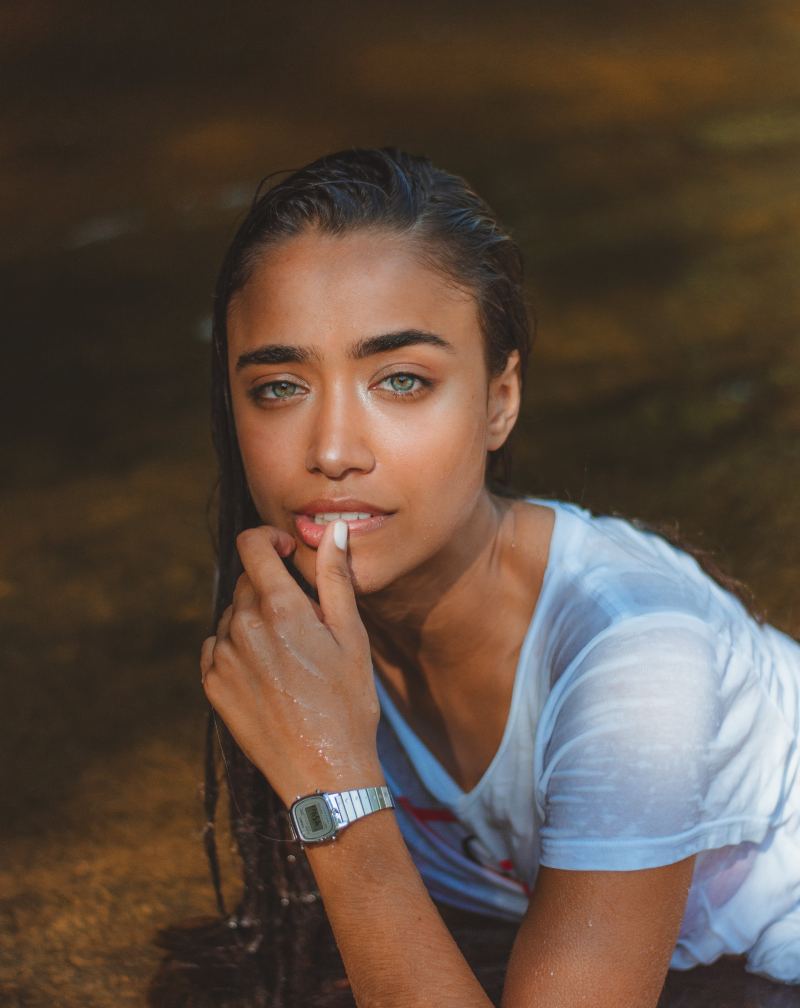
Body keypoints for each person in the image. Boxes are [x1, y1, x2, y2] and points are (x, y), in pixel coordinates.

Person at [150, 148, 800, 1007]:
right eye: (278, 387)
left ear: (500, 400)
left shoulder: (637, 660)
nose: (333, 450)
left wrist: (330, 781)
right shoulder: (295, 645)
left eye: (402, 380)